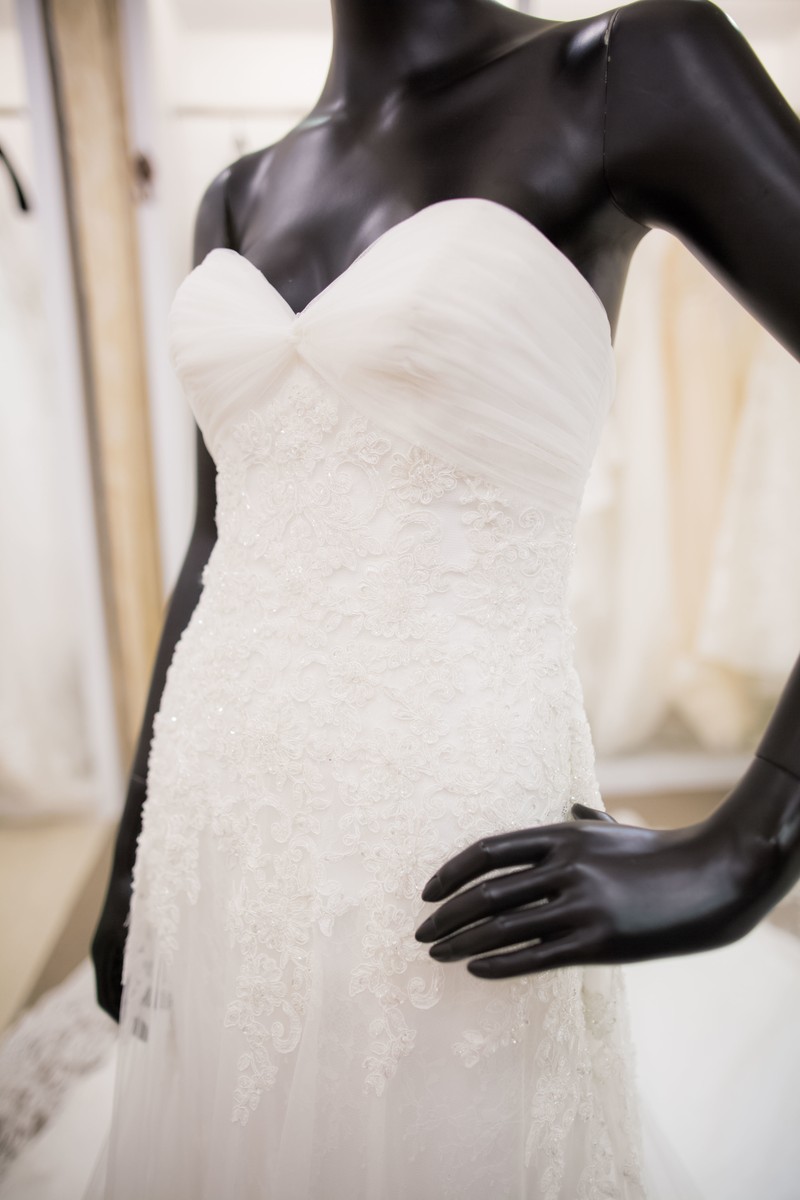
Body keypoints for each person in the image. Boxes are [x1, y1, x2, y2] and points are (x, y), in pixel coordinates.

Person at [89, 1, 800, 1196]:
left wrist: (750, 843)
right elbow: (219, 544)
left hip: (444, 826)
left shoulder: (623, 72)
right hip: (214, 817)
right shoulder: (236, 196)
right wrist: (132, 857)